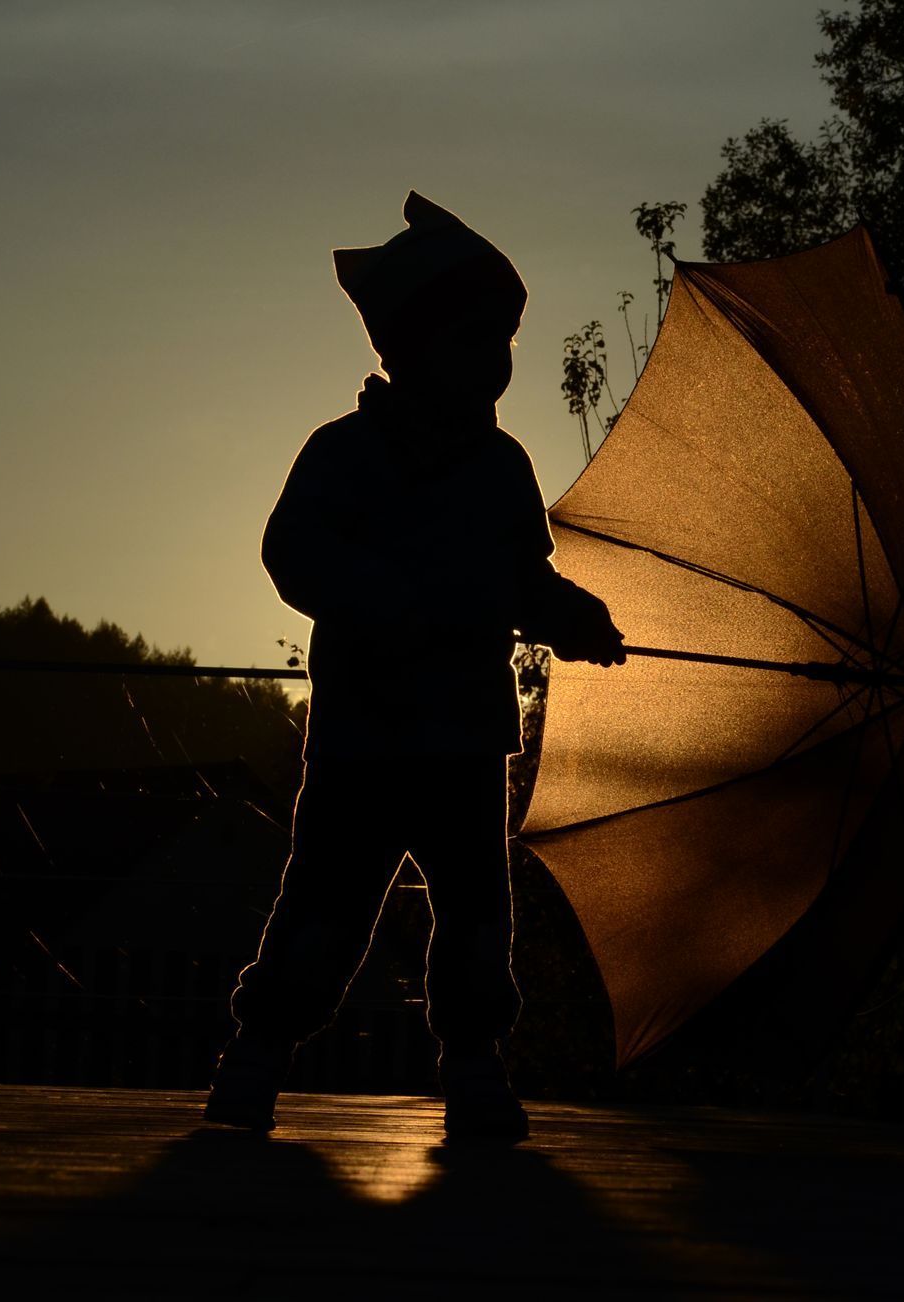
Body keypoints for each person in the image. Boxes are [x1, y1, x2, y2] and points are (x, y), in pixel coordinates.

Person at [202, 191, 626, 1142]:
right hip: (365, 742)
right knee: (324, 907)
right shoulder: (344, 456)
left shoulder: (501, 467)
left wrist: (568, 615)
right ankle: (260, 1054)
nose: (498, 359)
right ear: (409, 345)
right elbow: (293, 555)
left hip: (466, 743)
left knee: (478, 915)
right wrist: (397, 600)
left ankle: (474, 1062)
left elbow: (525, 577)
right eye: (479, 337)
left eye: (503, 340)